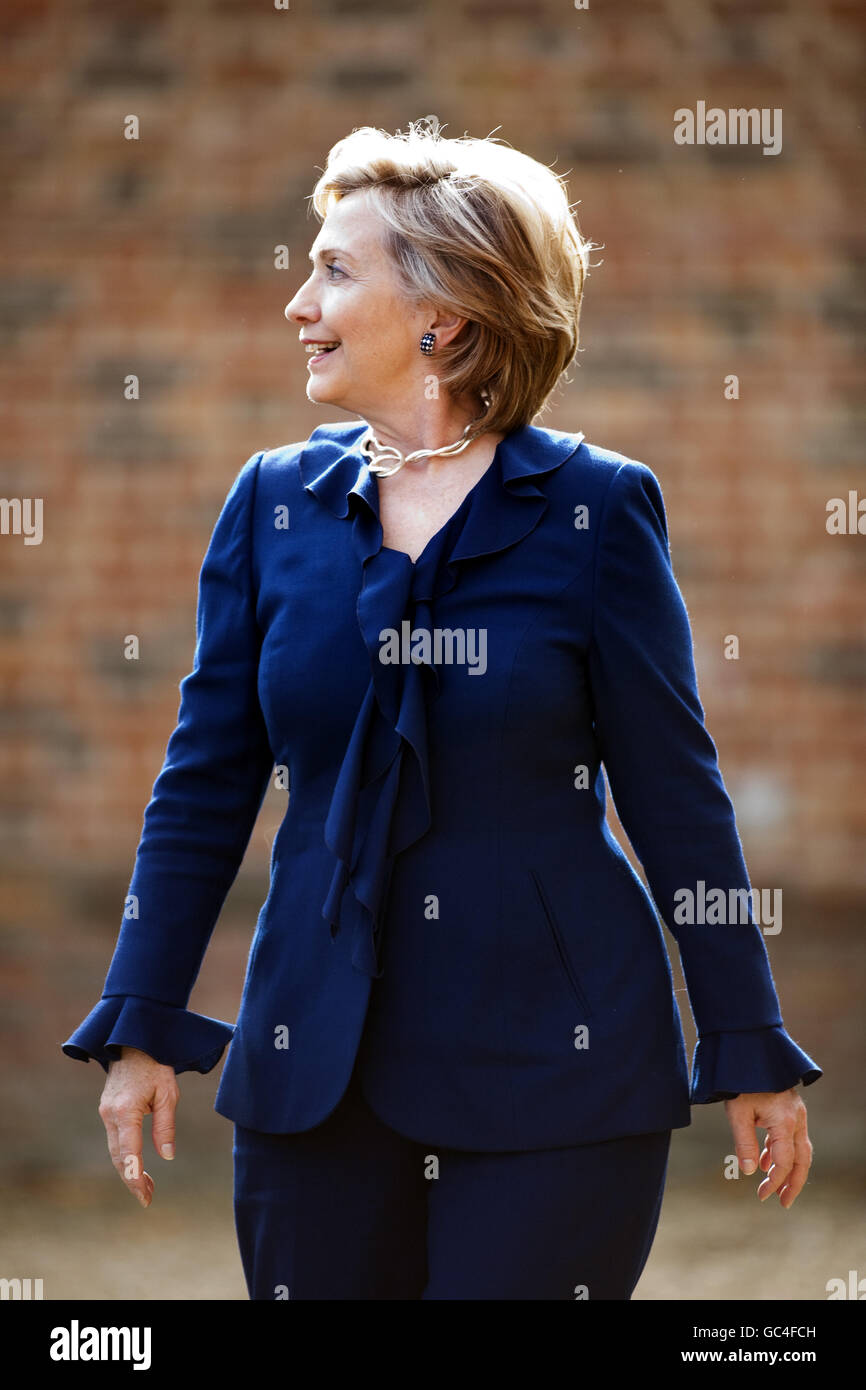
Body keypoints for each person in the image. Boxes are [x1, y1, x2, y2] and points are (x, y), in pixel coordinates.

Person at [62, 117, 821, 1301]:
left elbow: (674, 790)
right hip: (310, 1062)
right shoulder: (270, 504)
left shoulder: (596, 510)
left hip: (555, 1072)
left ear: (444, 318)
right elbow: (205, 778)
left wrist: (746, 1043)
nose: (297, 304)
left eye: (333, 269)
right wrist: (143, 1018)